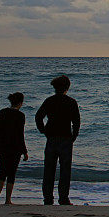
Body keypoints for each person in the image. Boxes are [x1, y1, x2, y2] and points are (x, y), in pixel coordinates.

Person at [35, 75, 80, 205]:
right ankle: (63, 198)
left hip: (52, 137)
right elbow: (76, 121)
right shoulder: (71, 102)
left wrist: (43, 130)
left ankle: (48, 198)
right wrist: (74, 135)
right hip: (66, 138)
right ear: (67, 88)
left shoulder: (49, 101)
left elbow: (38, 117)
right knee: (65, 170)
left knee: (49, 169)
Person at [0, 92, 29, 205]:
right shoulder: (20, 116)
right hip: (15, 148)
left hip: (2, 146)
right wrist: (25, 151)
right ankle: (8, 199)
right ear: (20, 103)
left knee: (2, 172)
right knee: (11, 173)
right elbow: (20, 134)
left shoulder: (2, 112)